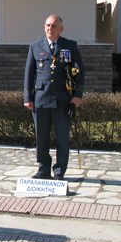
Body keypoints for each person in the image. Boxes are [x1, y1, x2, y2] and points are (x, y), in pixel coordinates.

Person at [23, 14, 85, 180]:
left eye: (54, 26)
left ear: (61, 29)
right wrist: (27, 97)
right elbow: (29, 74)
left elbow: (79, 71)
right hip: (41, 99)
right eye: (48, 25)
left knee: (62, 138)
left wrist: (77, 95)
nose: (50, 29)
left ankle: (59, 172)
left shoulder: (69, 46)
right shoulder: (35, 46)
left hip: (62, 100)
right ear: (45, 27)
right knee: (41, 137)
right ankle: (43, 169)